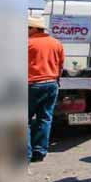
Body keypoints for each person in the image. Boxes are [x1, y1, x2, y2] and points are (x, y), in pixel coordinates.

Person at [28, 16, 65, 163]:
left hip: (31, 84)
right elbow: (61, 65)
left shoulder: (28, 43)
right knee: (45, 118)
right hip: (51, 84)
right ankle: (40, 151)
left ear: (34, 28)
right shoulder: (56, 43)